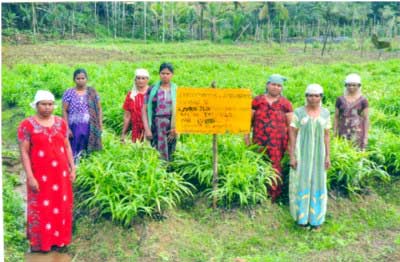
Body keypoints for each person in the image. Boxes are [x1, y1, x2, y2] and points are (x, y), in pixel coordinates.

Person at [18, 90, 76, 252]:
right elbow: (24, 152)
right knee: (42, 208)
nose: (47, 107)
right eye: (43, 104)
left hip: (61, 175)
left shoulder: (60, 123)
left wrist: (73, 167)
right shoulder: (27, 125)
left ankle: (59, 240)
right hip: (40, 176)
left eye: (50, 104)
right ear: (36, 105)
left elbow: (66, 146)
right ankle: (41, 243)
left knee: (61, 205)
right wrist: (30, 177)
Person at [245, 74, 293, 202]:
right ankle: (259, 195)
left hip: (278, 144)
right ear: (267, 85)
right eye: (273, 84)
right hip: (258, 142)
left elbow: (290, 126)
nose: (276, 87)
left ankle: (273, 197)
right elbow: (248, 123)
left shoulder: (285, 104)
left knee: (275, 167)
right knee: (259, 165)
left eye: (279, 85)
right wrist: (246, 139)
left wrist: (290, 145)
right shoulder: (257, 101)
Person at [289, 84, 331, 231]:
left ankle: (316, 220)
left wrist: (328, 156)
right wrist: (292, 155)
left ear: (321, 97)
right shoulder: (299, 112)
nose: (313, 98)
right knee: (302, 181)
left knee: (318, 182)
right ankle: (302, 219)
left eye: (317, 95)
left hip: (319, 154)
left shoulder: (325, 113)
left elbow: (326, 135)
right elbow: (292, 134)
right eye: (310, 95)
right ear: (306, 96)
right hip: (302, 153)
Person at [62, 68, 102, 162]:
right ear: (74, 79)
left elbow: (99, 109)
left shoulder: (92, 92)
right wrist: (67, 128)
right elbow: (64, 110)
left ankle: (86, 169)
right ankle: (74, 168)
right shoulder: (69, 92)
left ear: (86, 79)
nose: (80, 81)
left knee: (88, 148)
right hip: (74, 126)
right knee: (74, 147)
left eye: (83, 78)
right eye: (78, 78)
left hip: (89, 126)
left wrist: (100, 124)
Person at [142, 63, 178, 161]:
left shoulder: (176, 90)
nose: (165, 76)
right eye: (163, 73)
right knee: (156, 153)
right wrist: (147, 129)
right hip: (155, 126)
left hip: (171, 127)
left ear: (172, 75)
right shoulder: (152, 89)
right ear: (159, 74)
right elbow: (144, 110)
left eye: (168, 73)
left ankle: (169, 173)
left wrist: (176, 129)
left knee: (171, 152)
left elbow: (182, 111)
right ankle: (159, 174)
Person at [334, 73, 369, 150]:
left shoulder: (363, 100)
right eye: (348, 85)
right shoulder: (340, 99)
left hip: (358, 134)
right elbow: (336, 117)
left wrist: (365, 136)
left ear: (359, 86)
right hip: (343, 132)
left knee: (357, 154)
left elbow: (366, 118)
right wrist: (335, 132)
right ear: (345, 86)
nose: (351, 87)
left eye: (354, 85)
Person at [121, 69, 150, 143]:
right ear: (135, 80)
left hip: (150, 129)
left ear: (147, 80)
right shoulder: (131, 95)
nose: (140, 81)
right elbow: (127, 116)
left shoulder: (152, 93)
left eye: (143, 78)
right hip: (136, 130)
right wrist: (123, 133)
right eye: (138, 78)